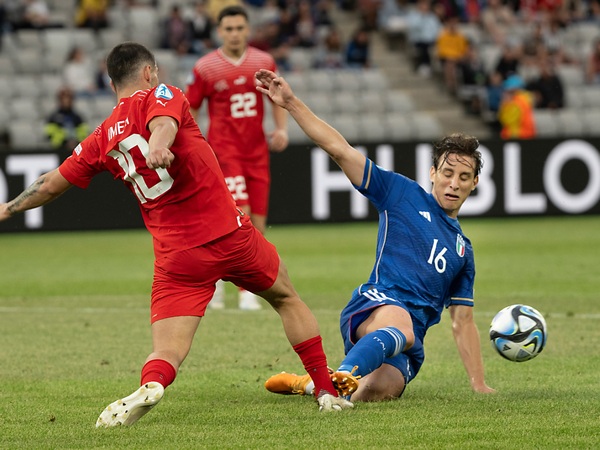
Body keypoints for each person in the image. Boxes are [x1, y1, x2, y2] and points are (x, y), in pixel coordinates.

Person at [0, 42, 353, 427]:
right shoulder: (163, 93)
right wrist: (157, 145)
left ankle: (152, 384)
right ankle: (325, 390)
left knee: (167, 350)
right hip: (230, 235)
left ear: (111, 83)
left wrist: (7, 208)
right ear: (148, 72)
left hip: (178, 257)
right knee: (286, 298)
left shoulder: (100, 137)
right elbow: (163, 123)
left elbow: (51, 183)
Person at [255, 68, 496, 402]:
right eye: (447, 173)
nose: (453, 184)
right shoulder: (400, 193)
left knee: (377, 390)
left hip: (410, 342)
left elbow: (463, 321)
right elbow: (340, 150)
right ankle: (344, 373)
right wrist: (291, 102)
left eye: (464, 177)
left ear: (474, 183)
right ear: (432, 173)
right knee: (400, 327)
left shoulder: (463, 252)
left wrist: (478, 383)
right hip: (376, 304)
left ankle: (313, 383)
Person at [185, 5, 289, 311]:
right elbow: (191, 107)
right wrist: (193, 144)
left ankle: (220, 279)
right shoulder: (206, 67)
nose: (234, 34)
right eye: (228, 29)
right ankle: (245, 291)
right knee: (240, 217)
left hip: (256, 153)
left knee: (258, 225)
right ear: (220, 32)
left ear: (248, 30)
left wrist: (281, 129)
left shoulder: (263, 61)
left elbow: (277, 96)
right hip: (224, 153)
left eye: (239, 28)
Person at [498, 74, 536, 139]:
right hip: (527, 134)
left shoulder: (516, 102)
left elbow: (507, 121)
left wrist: (505, 105)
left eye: (508, 91)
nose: (505, 93)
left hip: (518, 135)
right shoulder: (525, 98)